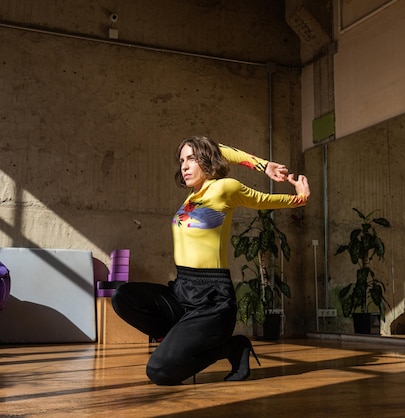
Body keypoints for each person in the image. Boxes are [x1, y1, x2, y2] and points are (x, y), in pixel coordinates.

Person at [112, 135, 310, 385]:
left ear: (207, 160)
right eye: (182, 160)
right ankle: (178, 338)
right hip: (182, 291)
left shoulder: (225, 188)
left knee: (159, 372)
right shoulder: (190, 198)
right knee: (123, 297)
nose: (184, 165)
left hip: (212, 300)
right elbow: (216, 151)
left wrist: (286, 187)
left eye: (192, 159)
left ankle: (231, 348)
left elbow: (261, 199)